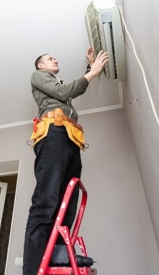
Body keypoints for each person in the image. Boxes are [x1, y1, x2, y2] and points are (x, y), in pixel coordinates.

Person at [23, 48, 109, 275]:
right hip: (54, 133)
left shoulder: (55, 85)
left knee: (67, 204)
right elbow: (63, 92)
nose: (55, 59)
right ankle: (33, 271)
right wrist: (93, 72)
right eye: (50, 59)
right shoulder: (38, 77)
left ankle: (57, 259)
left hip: (70, 138)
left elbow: (68, 92)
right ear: (40, 66)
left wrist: (90, 68)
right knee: (46, 202)